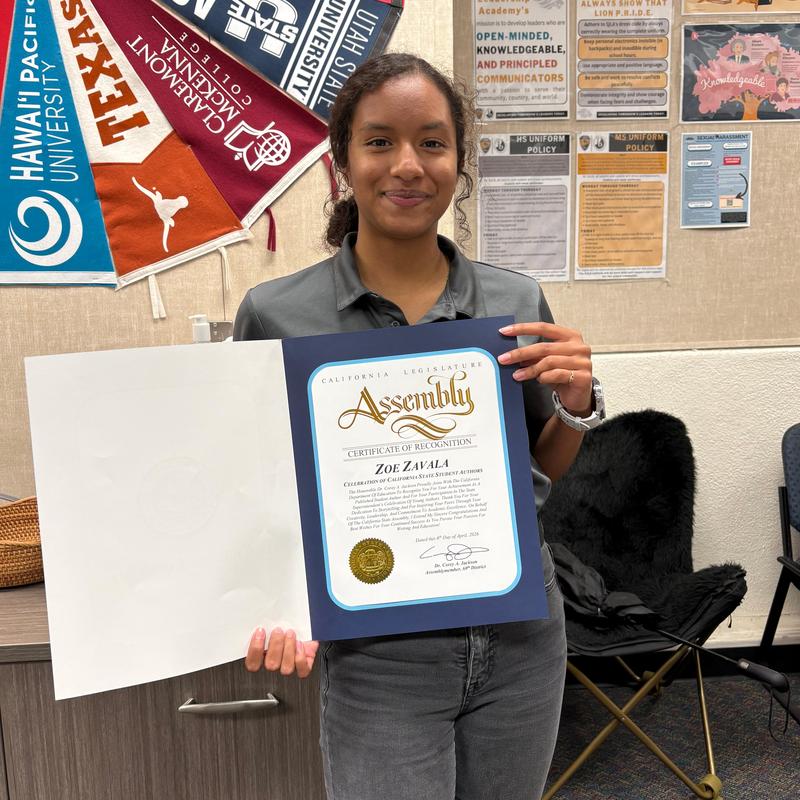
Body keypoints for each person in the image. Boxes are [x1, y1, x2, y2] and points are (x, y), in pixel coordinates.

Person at [236, 53, 600, 800]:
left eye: (432, 142)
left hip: (522, 634)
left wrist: (579, 402)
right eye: (379, 141)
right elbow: (255, 492)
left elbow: (537, 471)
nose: (408, 165)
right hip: (379, 651)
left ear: (459, 163)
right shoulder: (275, 315)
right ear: (342, 163)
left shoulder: (513, 299)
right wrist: (268, 602)